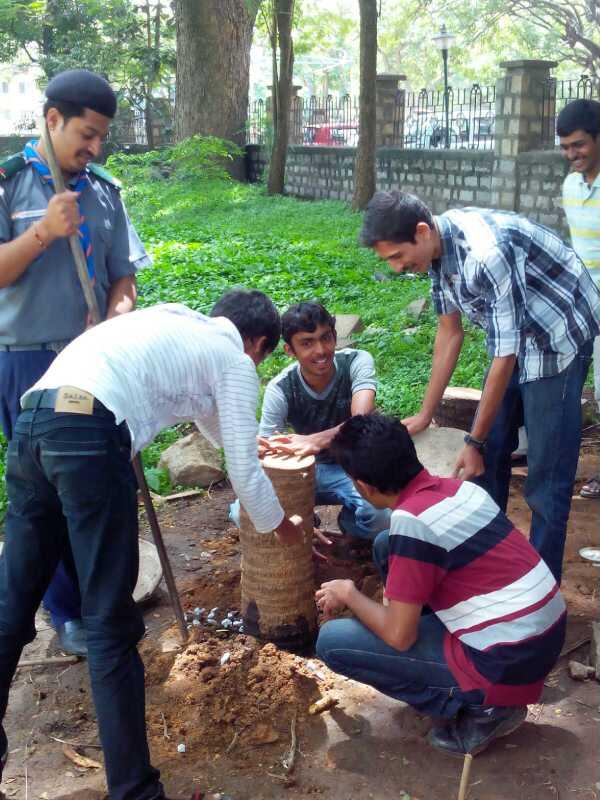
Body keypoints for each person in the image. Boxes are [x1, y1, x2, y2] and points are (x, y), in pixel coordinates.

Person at [0, 290, 304, 800]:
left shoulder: (178, 322)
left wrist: (245, 438)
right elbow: (245, 477)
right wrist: (284, 525)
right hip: (88, 435)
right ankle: (136, 792)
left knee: (10, 610)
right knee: (108, 627)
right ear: (258, 344)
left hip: (34, 421)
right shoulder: (234, 359)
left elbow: (214, 421)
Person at [360, 190, 600, 583]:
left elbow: (506, 357)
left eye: (397, 257)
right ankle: (489, 564)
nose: (398, 267)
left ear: (421, 231)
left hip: (558, 330)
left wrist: (472, 441)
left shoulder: (487, 252)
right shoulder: (436, 252)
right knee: (489, 457)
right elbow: (449, 333)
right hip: (513, 329)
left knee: (545, 478)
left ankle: (538, 593)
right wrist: (425, 412)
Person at [316, 414, 566, 757]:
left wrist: (348, 593)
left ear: (363, 485)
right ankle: (469, 682)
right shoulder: (459, 489)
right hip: (541, 636)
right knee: (386, 543)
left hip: (506, 660)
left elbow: (400, 636)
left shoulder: (413, 521)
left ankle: (487, 710)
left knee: (332, 642)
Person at [0, 69, 146, 655]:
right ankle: (69, 611)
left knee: (103, 487)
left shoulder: (105, 193)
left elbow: (124, 277)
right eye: (87, 133)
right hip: (24, 363)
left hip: (91, 363)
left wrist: (117, 312)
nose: (95, 147)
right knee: (48, 495)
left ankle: (102, 599)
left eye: (102, 137)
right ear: (52, 119)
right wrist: (41, 233)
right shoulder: (10, 186)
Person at [230, 301, 390, 553]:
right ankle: (305, 523)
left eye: (326, 338)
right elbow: (264, 451)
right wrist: (289, 520)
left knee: (381, 518)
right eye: (307, 343)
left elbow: (361, 420)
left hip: (351, 467)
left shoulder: (356, 362)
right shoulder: (281, 387)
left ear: (335, 336)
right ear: (289, 350)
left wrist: (315, 440)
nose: (321, 350)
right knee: (241, 513)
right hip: (302, 473)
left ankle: (349, 525)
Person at [557, 99, 600, 499]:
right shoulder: (571, 186)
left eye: (580, 145)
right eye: (566, 147)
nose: (572, 155)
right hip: (586, 310)